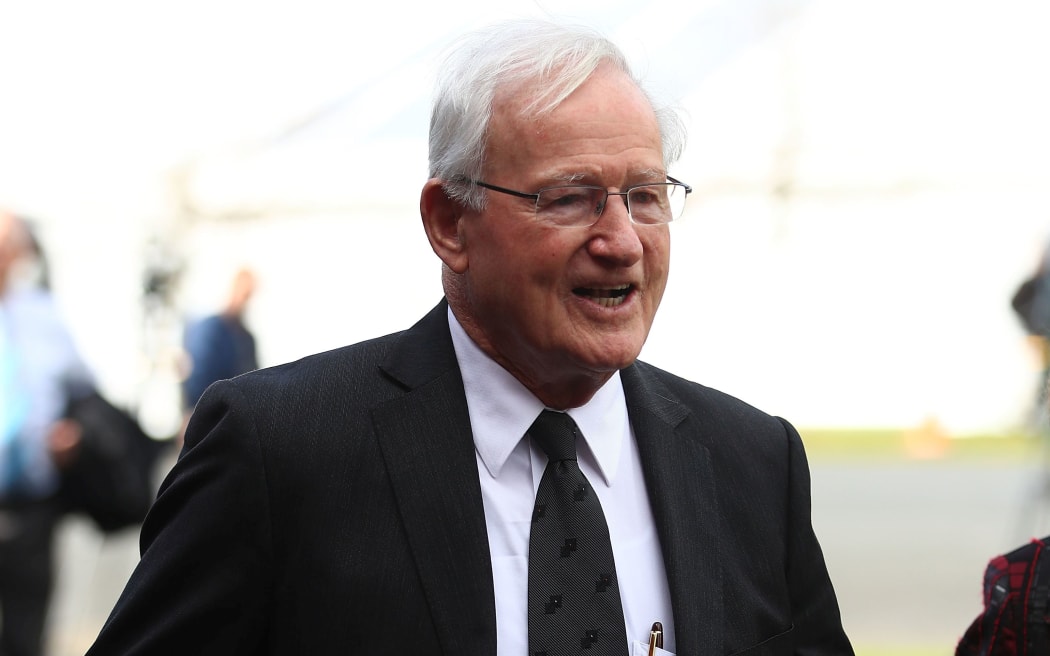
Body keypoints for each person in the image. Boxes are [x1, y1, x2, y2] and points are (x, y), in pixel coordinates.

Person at [85, 19, 853, 655]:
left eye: (645, 197)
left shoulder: (754, 464)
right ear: (450, 224)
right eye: (572, 198)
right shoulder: (280, 451)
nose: (622, 239)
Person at [0, 210, 94, 656]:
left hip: (31, 507)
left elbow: (87, 396)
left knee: (25, 635)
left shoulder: (43, 318)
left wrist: (72, 434)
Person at [180, 266, 259, 413]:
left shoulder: (247, 339)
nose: (243, 300)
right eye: (242, 293)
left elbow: (255, 381)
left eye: (248, 295)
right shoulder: (210, 329)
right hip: (209, 413)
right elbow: (197, 377)